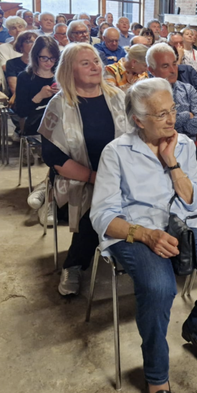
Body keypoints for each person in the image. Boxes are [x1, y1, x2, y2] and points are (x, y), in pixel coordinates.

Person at [90, 78, 197, 391]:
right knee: (160, 289)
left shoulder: (182, 144)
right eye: (161, 114)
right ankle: (157, 374)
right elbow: (102, 216)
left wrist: (172, 162)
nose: (172, 119)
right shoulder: (116, 152)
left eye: (173, 110)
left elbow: (195, 201)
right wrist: (145, 235)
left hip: (183, 222)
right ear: (138, 120)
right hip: (135, 229)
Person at [39, 43, 128, 296]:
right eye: (85, 63)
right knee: (95, 208)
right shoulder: (59, 104)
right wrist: (94, 177)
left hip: (118, 177)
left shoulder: (118, 97)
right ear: (70, 70)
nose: (95, 67)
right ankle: (74, 265)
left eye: (96, 61)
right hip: (76, 180)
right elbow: (53, 156)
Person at [146, 43, 197, 142]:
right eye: (165, 66)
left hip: (187, 146)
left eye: (174, 64)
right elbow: (153, 128)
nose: (173, 70)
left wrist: (171, 128)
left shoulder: (187, 89)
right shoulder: (145, 95)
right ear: (151, 70)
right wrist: (187, 115)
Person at [15, 35, 59, 135]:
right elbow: (21, 112)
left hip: (60, 122)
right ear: (35, 56)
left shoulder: (60, 76)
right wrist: (39, 96)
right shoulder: (25, 77)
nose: (49, 62)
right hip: (36, 124)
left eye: (53, 58)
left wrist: (63, 93)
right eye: (44, 58)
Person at [5, 31, 38, 97]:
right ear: (20, 46)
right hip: (21, 97)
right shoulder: (11, 63)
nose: (33, 44)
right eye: (28, 42)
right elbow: (14, 89)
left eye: (35, 42)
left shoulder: (43, 62)